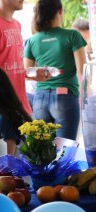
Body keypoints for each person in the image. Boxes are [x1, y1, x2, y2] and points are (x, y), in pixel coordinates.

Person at [23, 0, 86, 140]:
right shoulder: (72, 35)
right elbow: (83, 71)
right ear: (60, 11)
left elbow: (26, 73)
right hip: (65, 98)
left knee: (44, 151)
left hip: (39, 100)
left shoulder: (32, 40)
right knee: (65, 151)